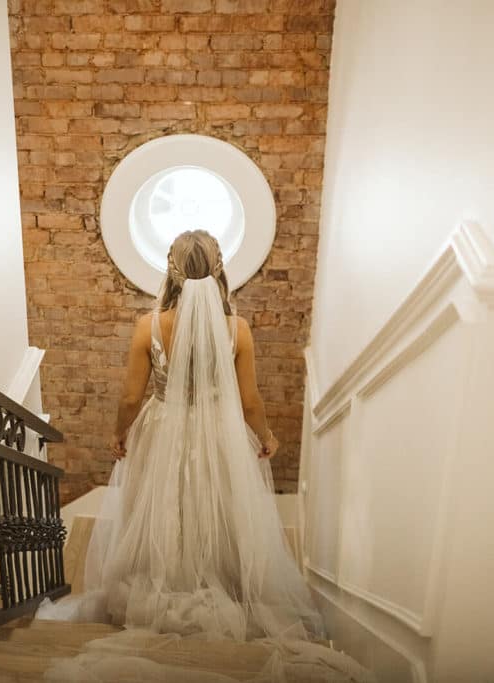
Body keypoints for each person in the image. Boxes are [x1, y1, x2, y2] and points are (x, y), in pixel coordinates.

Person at [36, 230, 372, 682]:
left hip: (160, 428)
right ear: (219, 269)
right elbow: (249, 401)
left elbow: (131, 395)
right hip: (216, 428)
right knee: (213, 505)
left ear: (170, 270)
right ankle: (214, 584)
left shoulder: (148, 326)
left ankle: (162, 585)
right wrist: (266, 437)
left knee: (160, 507)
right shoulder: (239, 328)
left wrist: (120, 434)